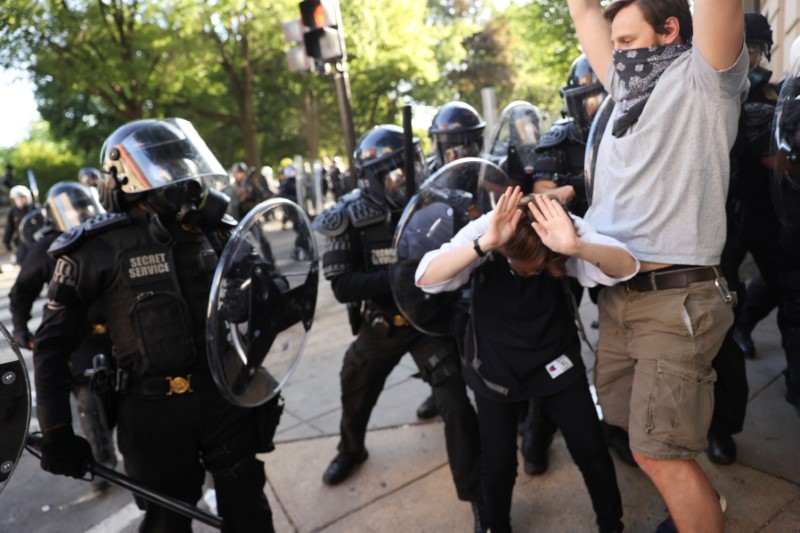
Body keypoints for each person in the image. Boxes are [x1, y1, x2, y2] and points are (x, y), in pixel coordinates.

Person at [33, 118, 279, 532]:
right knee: (167, 523)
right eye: (167, 166)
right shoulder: (92, 248)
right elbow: (52, 345)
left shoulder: (212, 231)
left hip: (223, 396)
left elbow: (260, 301)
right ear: (126, 177)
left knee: (250, 510)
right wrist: (56, 428)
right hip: (150, 413)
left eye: (182, 164)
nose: (182, 178)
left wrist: (261, 293)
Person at [565, 0, 748, 530]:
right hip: (621, 295)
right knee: (640, 436)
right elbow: (582, 13)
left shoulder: (705, 81)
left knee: (660, 454)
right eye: (613, 42)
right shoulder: (627, 90)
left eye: (627, 41)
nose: (616, 55)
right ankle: (703, 508)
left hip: (677, 301)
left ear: (669, 30)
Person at [416, 186, 636, 533]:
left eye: (539, 266)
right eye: (520, 264)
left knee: (590, 448)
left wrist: (576, 247)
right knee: (499, 463)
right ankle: (496, 526)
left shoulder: (566, 226)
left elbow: (626, 266)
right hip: (495, 366)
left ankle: (612, 524)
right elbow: (427, 278)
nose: (530, 271)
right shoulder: (486, 229)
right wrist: (482, 245)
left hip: (556, 356)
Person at [312, 124, 485, 530]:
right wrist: (400, 277)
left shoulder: (439, 202)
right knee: (354, 386)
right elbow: (340, 284)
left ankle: (479, 497)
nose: (401, 179)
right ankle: (351, 450)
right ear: (371, 178)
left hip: (428, 325)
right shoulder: (348, 216)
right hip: (381, 326)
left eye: (404, 168)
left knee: (457, 408)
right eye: (390, 173)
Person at [522, 54, 636, 476]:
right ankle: (538, 426)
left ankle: (621, 428)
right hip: (563, 252)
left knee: (627, 342)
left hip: (618, 249)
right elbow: (543, 200)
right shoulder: (557, 139)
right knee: (551, 342)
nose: (596, 107)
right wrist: (577, 191)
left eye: (602, 97)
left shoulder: (636, 127)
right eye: (588, 100)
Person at [705, 11, 784, 467]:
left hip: (770, 216)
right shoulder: (711, 91)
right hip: (723, 221)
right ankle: (721, 428)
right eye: (743, 48)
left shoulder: (777, 94)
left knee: (785, 289)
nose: (750, 57)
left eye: (755, 49)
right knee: (721, 326)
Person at [10, 181, 117, 492]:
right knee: (89, 398)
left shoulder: (105, 234)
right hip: (78, 338)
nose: (80, 213)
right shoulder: (50, 247)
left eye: (83, 205)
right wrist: (20, 330)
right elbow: (21, 292)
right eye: (73, 207)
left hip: (118, 332)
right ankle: (102, 466)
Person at [416, 100, 488, 421]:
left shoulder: (493, 173)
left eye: (465, 146)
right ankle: (441, 390)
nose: (457, 156)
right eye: (449, 149)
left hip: (486, 270)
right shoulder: (428, 183)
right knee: (446, 346)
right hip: (447, 268)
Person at [4, 184, 35, 264]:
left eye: (22, 198)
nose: (20, 200)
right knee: (22, 261)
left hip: (35, 241)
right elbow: (9, 228)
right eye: (17, 199)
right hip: (22, 242)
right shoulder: (13, 212)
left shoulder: (34, 209)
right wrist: (7, 242)